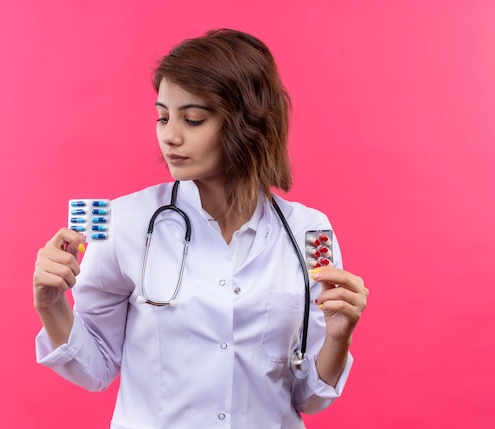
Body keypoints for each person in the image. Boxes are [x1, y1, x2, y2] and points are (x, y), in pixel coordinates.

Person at [33, 28, 368, 429]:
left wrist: (338, 336)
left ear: (248, 122)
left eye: (192, 119)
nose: (169, 136)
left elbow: (308, 400)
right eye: (162, 117)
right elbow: (96, 369)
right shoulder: (128, 223)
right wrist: (52, 306)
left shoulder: (309, 234)